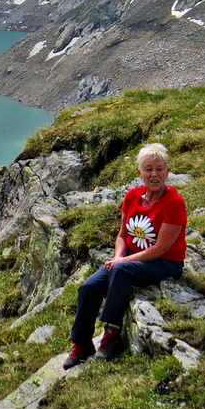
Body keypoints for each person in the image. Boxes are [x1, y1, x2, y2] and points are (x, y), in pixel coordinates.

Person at [65, 142, 186, 368]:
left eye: (160, 169)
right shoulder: (132, 197)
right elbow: (122, 235)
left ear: (167, 172)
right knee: (89, 287)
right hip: (130, 257)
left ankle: (111, 333)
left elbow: (160, 248)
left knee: (121, 270)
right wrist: (119, 255)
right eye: (148, 169)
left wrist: (122, 261)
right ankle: (81, 344)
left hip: (165, 262)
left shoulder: (174, 203)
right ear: (140, 173)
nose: (154, 174)